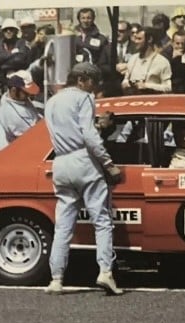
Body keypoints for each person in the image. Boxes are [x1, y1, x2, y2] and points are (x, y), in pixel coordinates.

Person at [44, 63, 123, 296]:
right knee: (102, 219)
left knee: (63, 225)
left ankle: (56, 278)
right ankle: (105, 272)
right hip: (84, 160)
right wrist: (109, 163)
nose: (95, 87)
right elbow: (88, 135)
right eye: (93, 81)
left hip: (60, 161)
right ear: (82, 80)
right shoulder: (85, 98)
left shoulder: (52, 101)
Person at [0, 71, 42, 150]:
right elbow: (33, 135)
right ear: (13, 90)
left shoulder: (15, 98)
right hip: (2, 150)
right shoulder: (12, 112)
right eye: (26, 93)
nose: (28, 95)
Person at [122, 27, 172, 93]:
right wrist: (125, 83)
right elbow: (126, 78)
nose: (136, 42)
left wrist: (147, 86)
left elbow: (168, 87)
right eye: (135, 39)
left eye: (139, 39)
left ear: (149, 39)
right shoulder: (132, 59)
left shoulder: (162, 62)